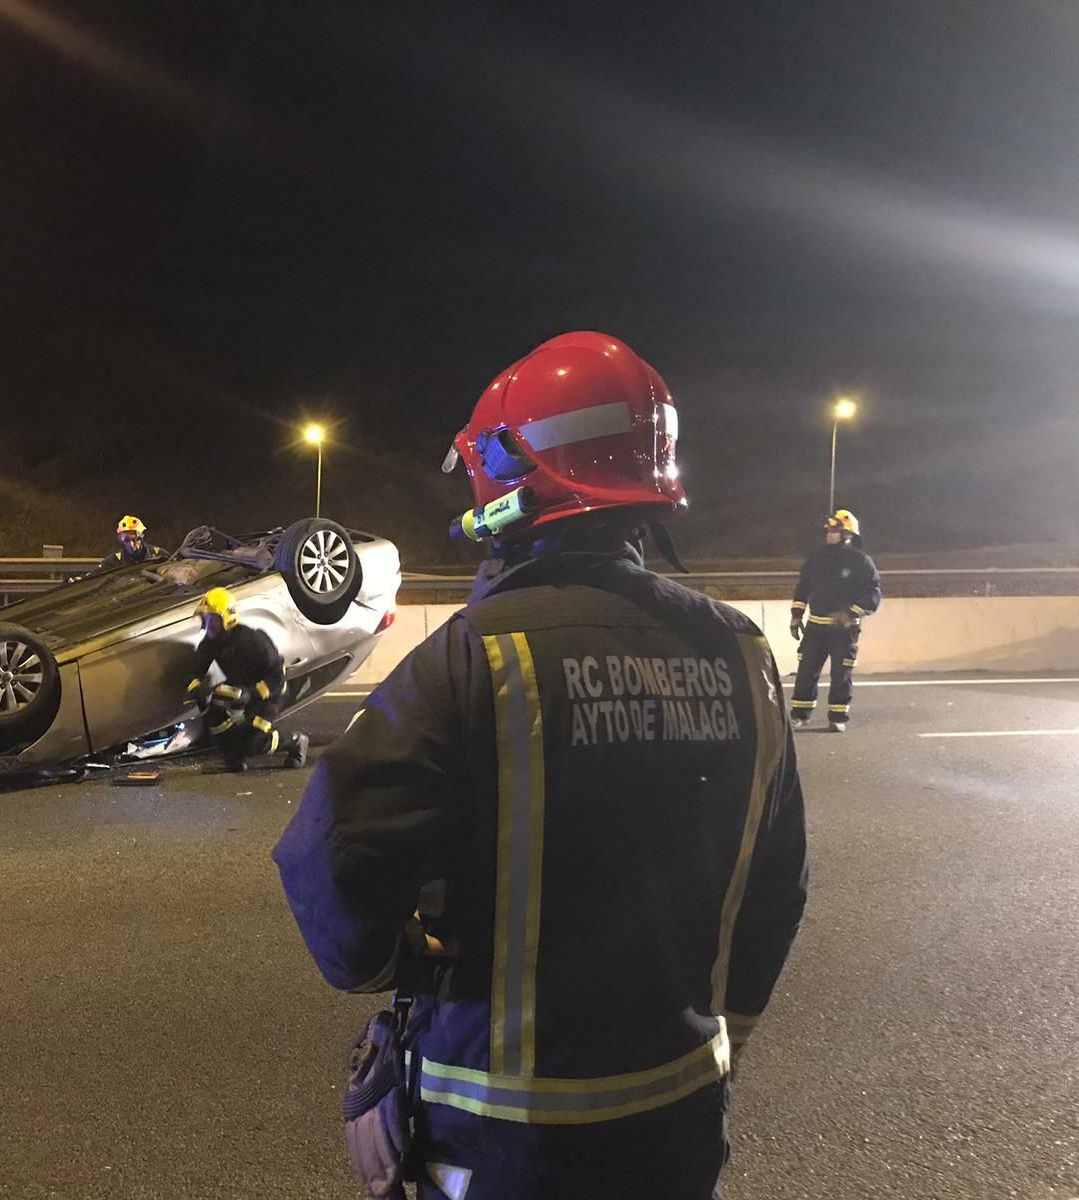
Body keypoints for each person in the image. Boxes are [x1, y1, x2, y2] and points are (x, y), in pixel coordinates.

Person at [273, 331, 808, 1199]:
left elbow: (331, 862)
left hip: (500, 1145)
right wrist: (718, 1042)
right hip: (677, 1124)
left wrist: (395, 963)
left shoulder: (471, 657)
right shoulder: (745, 657)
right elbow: (777, 891)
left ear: (520, 470)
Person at [185, 587, 308, 772]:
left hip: (269, 695)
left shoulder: (252, 640)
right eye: (205, 619)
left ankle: (295, 741)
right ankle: (234, 758)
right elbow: (195, 670)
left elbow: (277, 676)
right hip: (240, 690)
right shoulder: (211, 643)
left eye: (212, 620)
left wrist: (251, 693)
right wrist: (198, 689)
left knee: (255, 741)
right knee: (214, 718)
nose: (207, 625)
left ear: (227, 618)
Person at [789, 509, 881, 732]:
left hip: (844, 629)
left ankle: (838, 717)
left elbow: (873, 593)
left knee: (841, 673)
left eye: (835, 531)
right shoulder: (816, 558)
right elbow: (803, 587)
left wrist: (850, 614)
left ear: (848, 535)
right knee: (806, 671)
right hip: (815, 627)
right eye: (829, 531)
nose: (830, 535)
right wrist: (796, 615)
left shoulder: (861, 561)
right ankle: (800, 714)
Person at [95, 515, 167, 572]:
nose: (132, 544)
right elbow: (95, 577)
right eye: (126, 539)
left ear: (142, 536)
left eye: (135, 538)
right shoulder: (114, 561)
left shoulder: (159, 555)